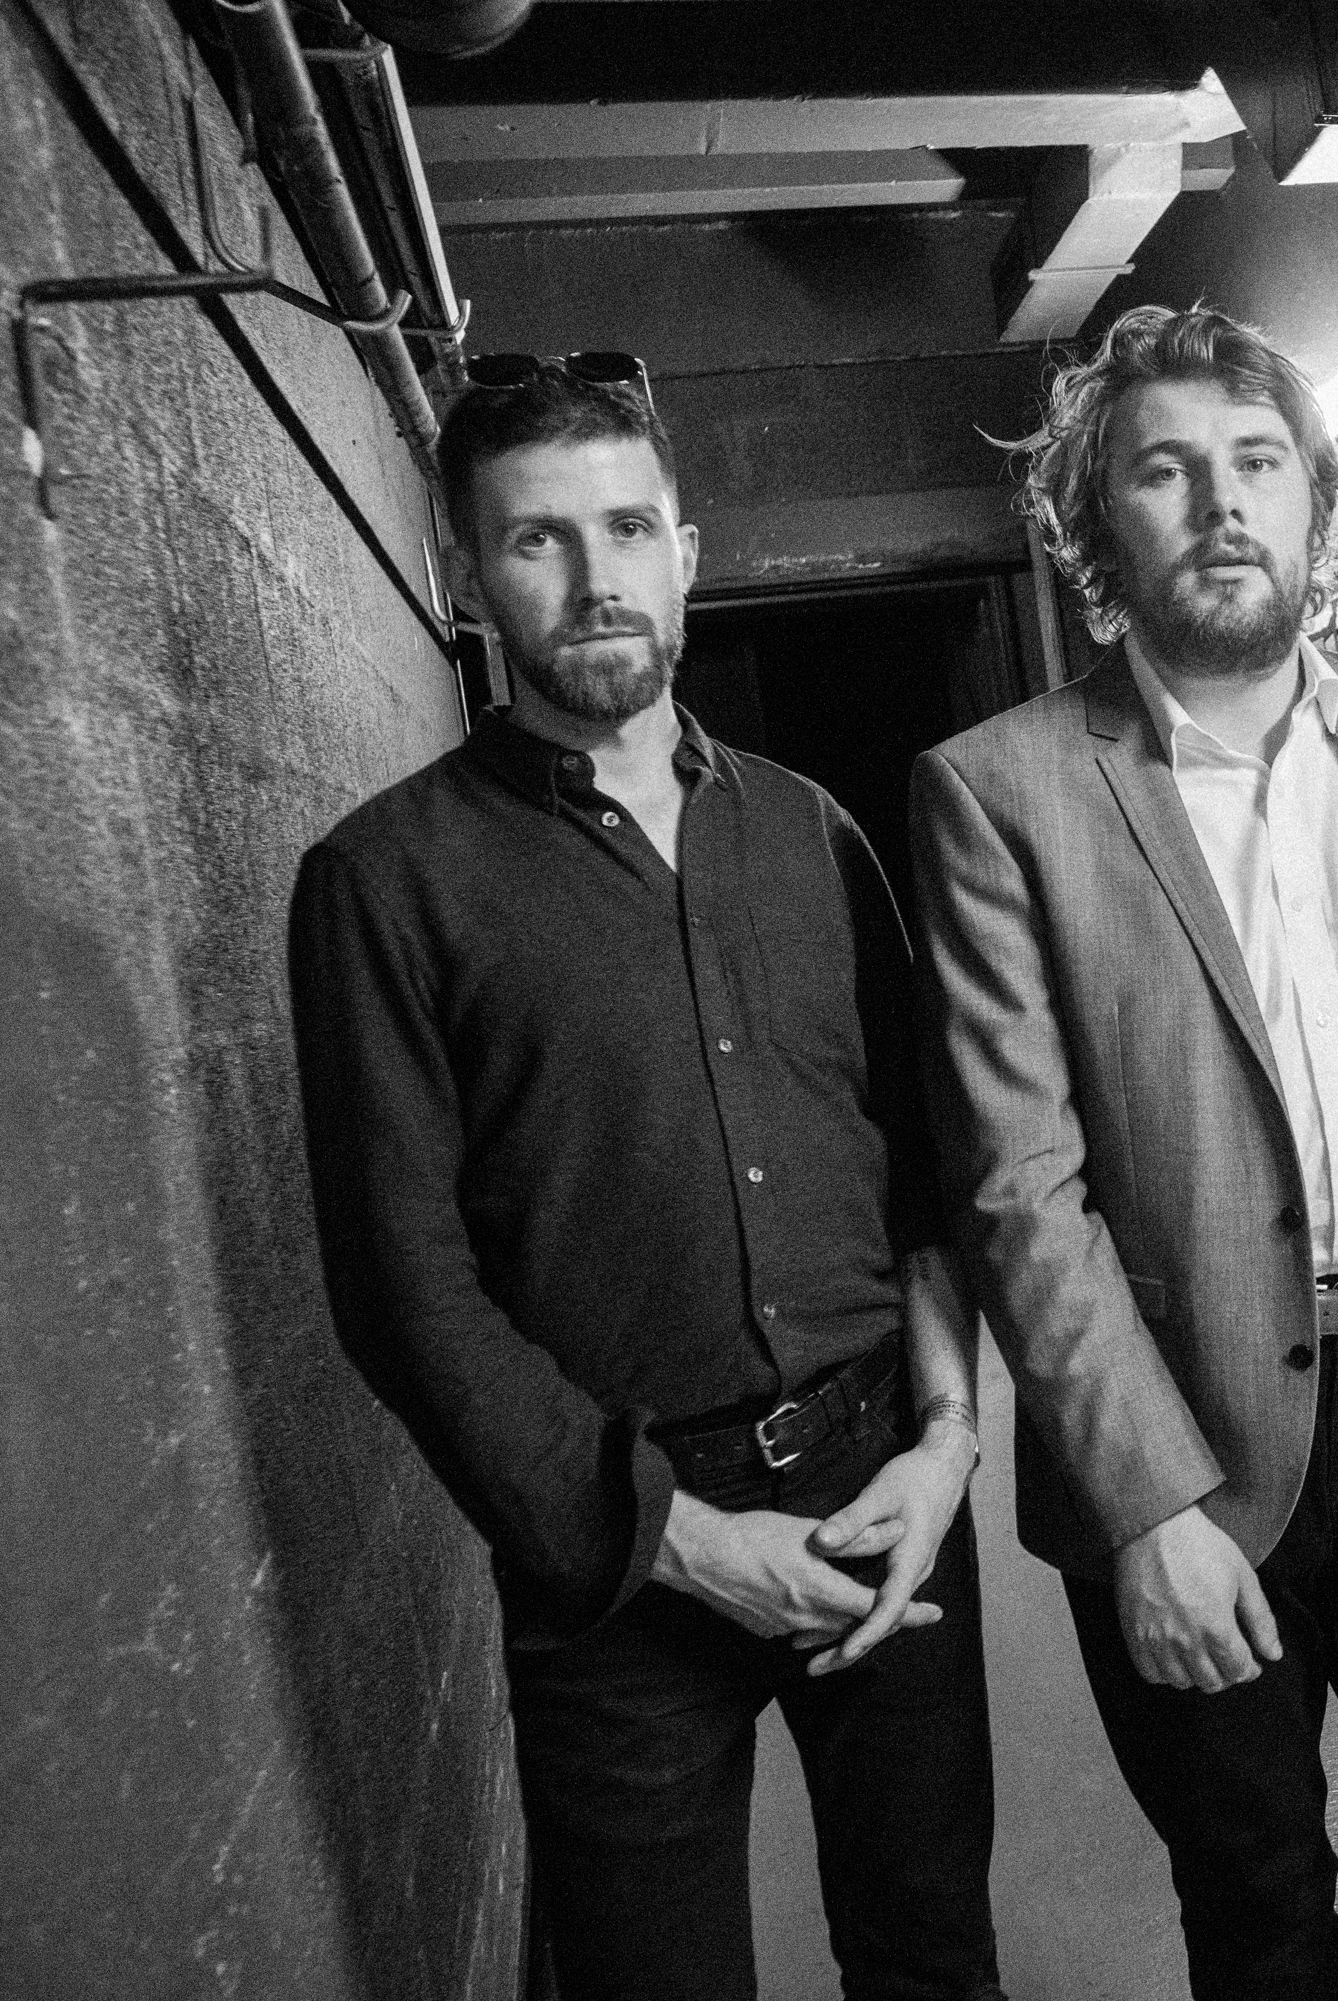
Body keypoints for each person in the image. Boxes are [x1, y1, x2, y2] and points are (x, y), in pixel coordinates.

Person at [906, 304, 1338, 2000]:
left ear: (1313, 496)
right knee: (1264, 1922)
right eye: (1166, 470)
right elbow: (1021, 1188)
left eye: (1256, 463)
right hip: (1182, 1432)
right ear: (1097, 520)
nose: (1222, 504)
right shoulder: (998, 789)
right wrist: (1147, 1504)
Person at [287, 358, 1003, 2001]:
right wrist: (681, 1538)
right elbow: (403, 1293)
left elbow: (924, 1183)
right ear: (468, 574)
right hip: (612, 1562)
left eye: (625, 528)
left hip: (884, 1488)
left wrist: (951, 1445)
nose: (594, 576)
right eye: (537, 538)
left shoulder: (815, 832)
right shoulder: (383, 883)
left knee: (936, 1955)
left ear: (684, 553)